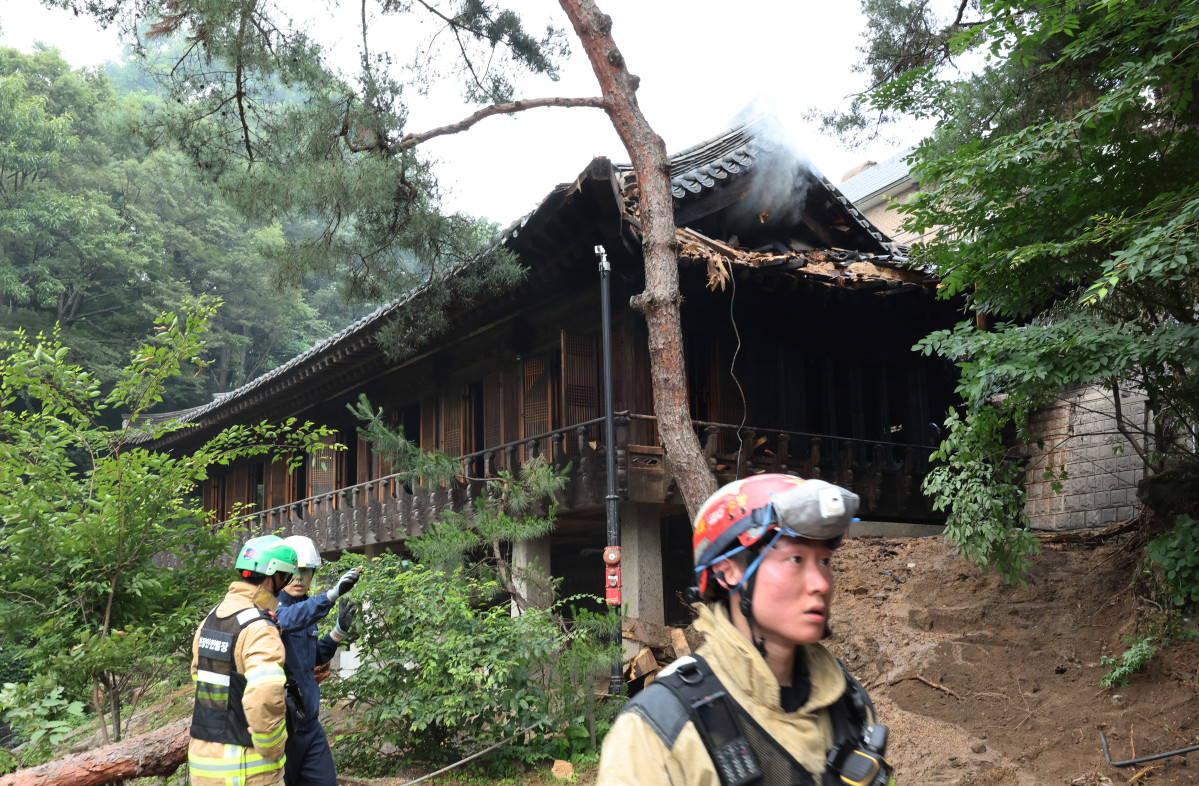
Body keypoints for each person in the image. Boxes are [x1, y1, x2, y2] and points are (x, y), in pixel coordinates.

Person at [597, 473, 894, 786]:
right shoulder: (658, 729)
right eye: (795, 559)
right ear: (728, 571)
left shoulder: (846, 700)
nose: (821, 584)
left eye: (823, 562)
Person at [188, 535, 297, 786]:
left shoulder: (212, 618)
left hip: (203, 764)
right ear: (273, 578)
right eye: (286, 576)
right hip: (246, 770)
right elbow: (265, 693)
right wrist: (272, 746)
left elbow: (199, 676)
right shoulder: (259, 627)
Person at [274, 535, 362, 786]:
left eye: (306, 571)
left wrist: (338, 632)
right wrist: (332, 594)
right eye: (294, 572)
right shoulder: (274, 607)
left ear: (313, 574)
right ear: (281, 574)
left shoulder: (306, 608)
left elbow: (311, 659)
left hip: (309, 725)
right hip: (282, 729)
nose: (299, 578)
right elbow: (287, 619)